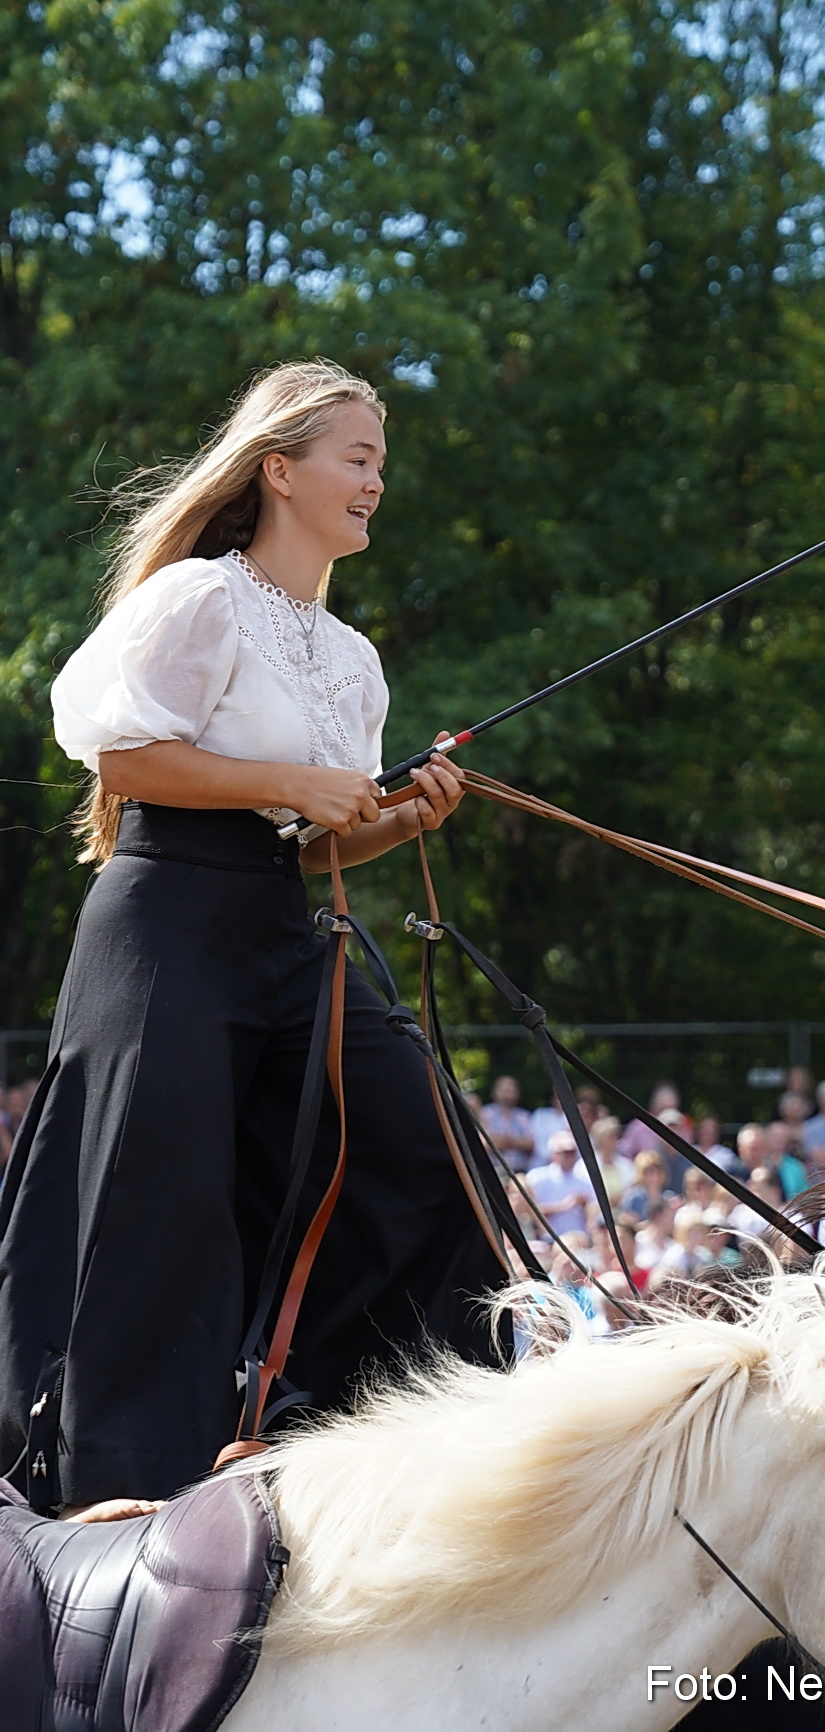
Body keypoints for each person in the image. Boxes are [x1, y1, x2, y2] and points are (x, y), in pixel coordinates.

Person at [0, 360, 508, 1521]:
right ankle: (115, 1497)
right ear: (281, 469)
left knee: (431, 1162)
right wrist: (294, 781)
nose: (378, 482)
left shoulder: (351, 658)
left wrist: (397, 819)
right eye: (360, 457)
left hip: (284, 920)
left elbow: (314, 845)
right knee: (159, 1203)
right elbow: (122, 761)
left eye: (382, 462)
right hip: (167, 916)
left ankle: (335, 1451)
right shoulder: (198, 600)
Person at [523, 1131, 596, 1238]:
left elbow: (593, 1212)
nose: (569, 1156)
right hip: (548, 1240)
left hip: (579, 1240)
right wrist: (563, 1206)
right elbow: (527, 1209)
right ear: (553, 1154)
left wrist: (585, 1206)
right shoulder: (537, 1177)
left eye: (572, 1152)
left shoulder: (584, 1180)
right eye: (565, 1152)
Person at [480, 1074, 536, 1175]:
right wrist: (516, 1142)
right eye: (503, 1091)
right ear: (494, 1092)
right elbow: (484, 1144)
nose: (507, 1095)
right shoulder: (486, 1114)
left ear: (517, 1093)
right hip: (493, 1171)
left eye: (510, 1091)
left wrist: (503, 1141)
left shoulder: (524, 1116)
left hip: (520, 1172)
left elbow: (531, 1145)